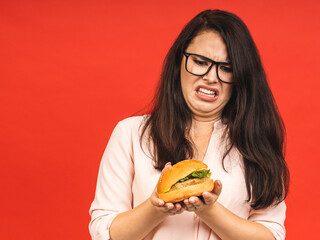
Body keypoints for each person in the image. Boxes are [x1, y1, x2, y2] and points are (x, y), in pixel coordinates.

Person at [89, 9, 289, 240]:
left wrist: (210, 210)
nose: (211, 77)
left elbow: (272, 234)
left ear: (241, 78)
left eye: (226, 68)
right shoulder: (130, 134)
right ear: (179, 62)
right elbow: (104, 232)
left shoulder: (256, 145)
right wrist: (155, 207)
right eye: (200, 62)